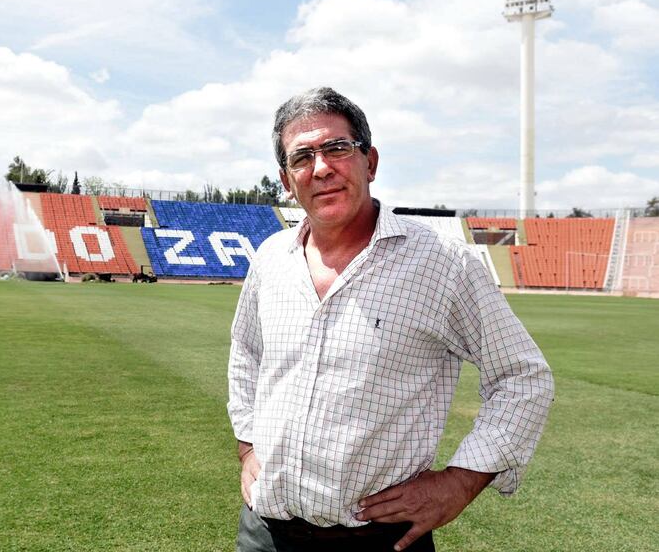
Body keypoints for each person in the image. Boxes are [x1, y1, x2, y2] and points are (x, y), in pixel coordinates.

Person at [228, 87, 554, 552]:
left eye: (337, 148)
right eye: (302, 157)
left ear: (371, 162)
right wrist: (248, 445)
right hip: (265, 531)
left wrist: (460, 481)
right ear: (286, 179)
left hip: (379, 541)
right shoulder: (270, 259)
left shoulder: (443, 263)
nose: (321, 168)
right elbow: (246, 354)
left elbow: (523, 378)